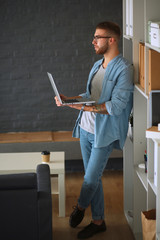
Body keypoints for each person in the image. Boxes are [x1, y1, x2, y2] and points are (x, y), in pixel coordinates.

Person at [55, 21, 133, 239]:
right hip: (86, 129)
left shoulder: (124, 69)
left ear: (112, 39)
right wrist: (69, 99)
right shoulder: (98, 66)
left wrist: (78, 105)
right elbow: (90, 95)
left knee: (90, 179)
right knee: (95, 178)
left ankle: (80, 207)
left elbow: (116, 106)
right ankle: (98, 221)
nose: (93, 41)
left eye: (97, 37)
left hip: (104, 134)